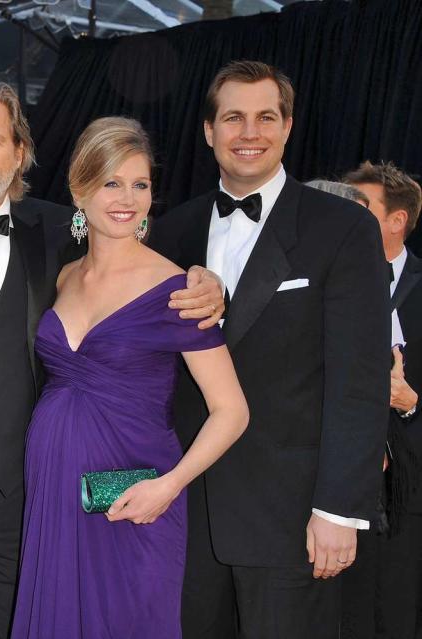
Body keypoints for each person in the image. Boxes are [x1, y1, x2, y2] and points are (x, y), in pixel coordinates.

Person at [0, 80, 225, 639]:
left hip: (34, 494)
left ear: (21, 152)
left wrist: (211, 283)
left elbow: (140, 262)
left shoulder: (57, 231)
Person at [148, 60, 391, 639]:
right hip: (187, 510)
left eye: (265, 117)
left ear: (287, 128)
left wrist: (338, 510)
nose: (249, 133)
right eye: (233, 118)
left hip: (291, 516)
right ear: (209, 131)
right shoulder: (172, 232)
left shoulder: (342, 228)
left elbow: (358, 380)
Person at [11, 117, 248, 639]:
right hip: (54, 481)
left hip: (135, 496)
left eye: (140, 184)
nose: (127, 198)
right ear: (79, 190)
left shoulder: (177, 288)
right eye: (111, 182)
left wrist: (169, 487)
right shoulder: (64, 276)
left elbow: (232, 411)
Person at [340, 161, 422, 638]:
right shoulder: (325, 277)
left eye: (361, 207)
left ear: (397, 220)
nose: (345, 215)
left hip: (406, 500)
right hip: (329, 491)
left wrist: (411, 402)